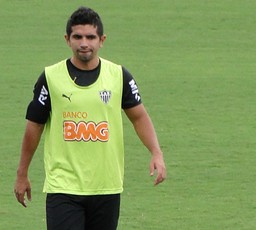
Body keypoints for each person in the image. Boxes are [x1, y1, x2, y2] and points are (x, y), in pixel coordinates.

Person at [14, 6, 166, 230]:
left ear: (102, 40)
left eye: (90, 37)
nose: (84, 43)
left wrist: (156, 152)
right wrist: (22, 173)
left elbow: (139, 117)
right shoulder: (50, 77)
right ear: (67, 39)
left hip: (106, 187)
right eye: (77, 36)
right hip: (63, 187)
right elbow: (33, 127)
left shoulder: (118, 76)